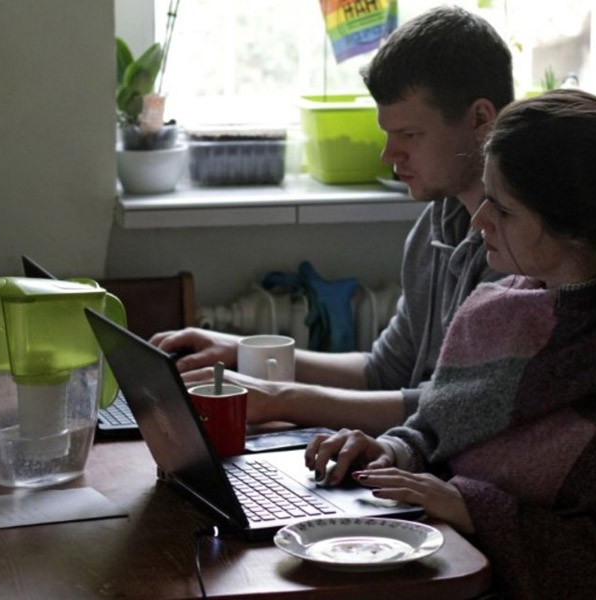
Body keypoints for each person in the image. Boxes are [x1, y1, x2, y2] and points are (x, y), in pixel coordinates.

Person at [305, 89, 596, 597]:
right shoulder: (501, 308)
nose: (479, 220)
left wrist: (476, 510)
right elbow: (439, 432)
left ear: (576, 230)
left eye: (502, 210)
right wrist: (390, 453)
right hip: (458, 567)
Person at [150, 6, 512, 435]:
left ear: (480, 120)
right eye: (388, 133)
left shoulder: (520, 247)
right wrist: (239, 350)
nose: (389, 154)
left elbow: (458, 407)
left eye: (410, 134)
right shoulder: (434, 228)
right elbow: (383, 371)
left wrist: (279, 397)